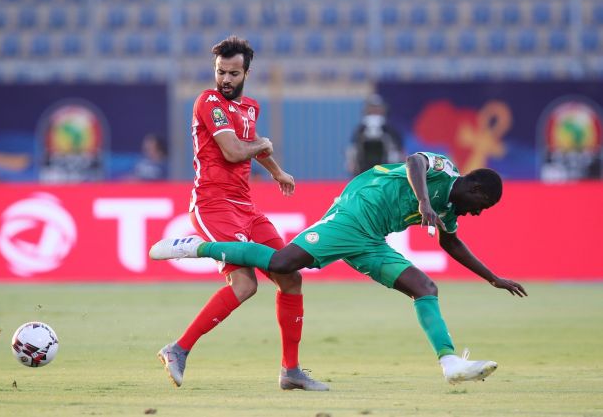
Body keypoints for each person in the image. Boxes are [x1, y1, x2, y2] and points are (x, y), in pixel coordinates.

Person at [150, 151, 528, 385]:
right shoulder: (443, 170)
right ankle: (196, 246)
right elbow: (413, 161)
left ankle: (449, 364)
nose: (477, 213)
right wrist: (424, 201)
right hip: (354, 212)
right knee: (283, 264)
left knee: (425, 287)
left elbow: (451, 243)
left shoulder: (448, 211)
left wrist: (492, 277)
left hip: (372, 239)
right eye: (481, 206)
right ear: (476, 189)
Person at [152, 36, 328, 391]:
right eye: (221, 72)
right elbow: (234, 151)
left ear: (246, 72)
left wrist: (276, 171)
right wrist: (261, 146)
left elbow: (251, 142)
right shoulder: (209, 102)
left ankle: (290, 371)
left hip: (245, 206)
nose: (226, 79)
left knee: (289, 274)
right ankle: (178, 348)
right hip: (212, 204)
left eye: (233, 73)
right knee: (245, 284)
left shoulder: (250, 107)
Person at [346, 93, 405, 177]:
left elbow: (399, 149)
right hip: (363, 167)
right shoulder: (361, 129)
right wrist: (351, 162)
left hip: (385, 167)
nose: (374, 111)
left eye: (377, 108)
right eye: (372, 108)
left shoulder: (389, 129)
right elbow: (353, 147)